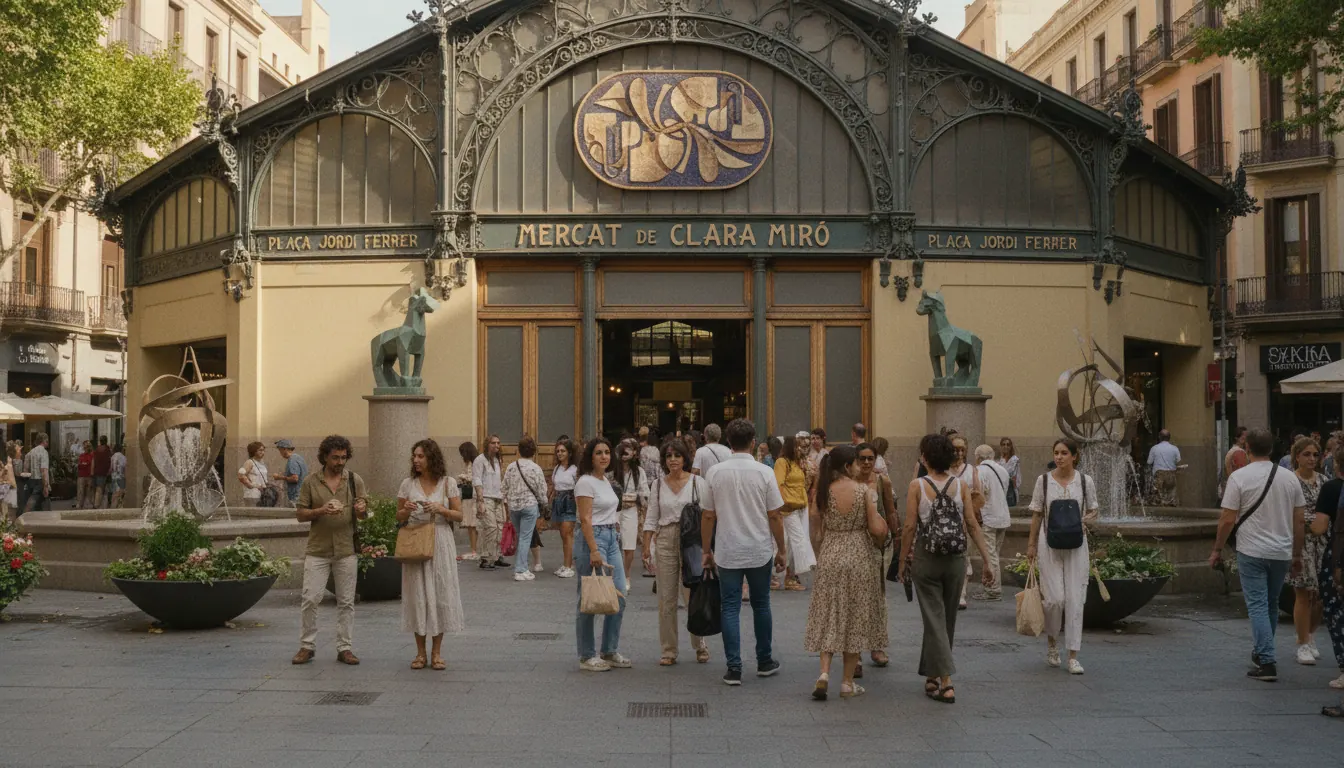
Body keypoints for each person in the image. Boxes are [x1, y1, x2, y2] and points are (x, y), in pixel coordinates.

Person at [898, 433, 994, 704]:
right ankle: (931, 675)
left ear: (925, 457)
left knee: (933, 617)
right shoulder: (959, 484)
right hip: (956, 558)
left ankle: (946, 681)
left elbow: (909, 527)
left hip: (926, 557)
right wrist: (986, 560)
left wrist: (904, 560)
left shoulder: (917, 485)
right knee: (945, 619)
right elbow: (973, 524)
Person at [1211, 427, 1306, 682]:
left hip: (1251, 550)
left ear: (1247, 449)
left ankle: (1266, 660)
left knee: (1257, 605)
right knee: (1271, 603)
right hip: (1281, 551)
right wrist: (1297, 554)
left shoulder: (1239, 478)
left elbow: (1227, 519)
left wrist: (1217, 549)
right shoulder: (1289, 478)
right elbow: (1300, 521)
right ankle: (1263, 650)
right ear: (1272, 449)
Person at [701, 418, 787, 686]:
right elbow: (774, 515)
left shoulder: (715, 473)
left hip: (727, 548)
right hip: (759, 548)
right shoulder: (765, 472)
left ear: (729, 442)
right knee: (761, 604)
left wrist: (706, 550)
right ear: (753, 442)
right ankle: (764, 660)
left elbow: (707, 516)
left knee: (730, 607)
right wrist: (782, 548)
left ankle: (734, 667)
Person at [805, 445, 888, 700]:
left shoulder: (823, 491)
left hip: (831, 552)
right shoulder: (864, 491)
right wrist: (883, 528)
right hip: (858, 555)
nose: (858, 466)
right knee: (854, 616)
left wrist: (820, 553)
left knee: (830, 613)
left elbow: (815, 527)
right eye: (854, 462)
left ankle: (824, 673)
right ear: (846, 466)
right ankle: (847, 683)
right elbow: (876, 529)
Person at [292, 435, 368, 666]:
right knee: (310, 598)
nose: (340, 462)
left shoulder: (355, 481)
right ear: (325, 457)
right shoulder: (311, 482)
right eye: (335, 457)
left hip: (346, 548)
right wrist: (321, 510)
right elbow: (300, 515)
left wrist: (362, 509)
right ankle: (307, 646)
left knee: (346, 601)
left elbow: (364, 515)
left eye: (343, 457)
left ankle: (345, 648)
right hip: (318, 549)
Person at [1027, 438, 1099, 675]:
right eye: (1056, 453)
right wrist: (1031, 546)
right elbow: (1037, 514)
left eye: (1064, 453)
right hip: (1049, 545)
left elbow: (1093, 510)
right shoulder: (1044, 481)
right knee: (1054, 599)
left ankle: (1073, 655)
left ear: (1074, 456)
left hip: (1077, 545)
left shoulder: (1085, 481)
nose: (1059, 457)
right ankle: (1051, 643)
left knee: (1076, 599)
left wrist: (1088, 519)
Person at [396, 439, 464, 670]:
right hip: (416, 539)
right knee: (417, 594)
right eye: (414, 456)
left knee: (440, 592)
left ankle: (436, 653)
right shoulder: (408, 484)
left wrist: (441, 509)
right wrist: (406, 510)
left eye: (421, 456)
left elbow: (459, 515)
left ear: (431, 458)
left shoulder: (448, 483)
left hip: (440, 540)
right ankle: (419, 653)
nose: (416, 460)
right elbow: (399, 516)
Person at [642, 438, 711, 666]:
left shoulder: (697, 482)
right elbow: (651, 517)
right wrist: (646, 546)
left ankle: (700, 644)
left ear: (685, 458)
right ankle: (669, 649)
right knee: (666, 597)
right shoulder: (658, 484)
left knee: (693, 594)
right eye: (669, 456)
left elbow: (708, 514)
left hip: (691, 540)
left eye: (677, 456)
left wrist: (708, 547)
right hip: (666, 538)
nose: (673, 460)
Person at [573, 437, 629, 672]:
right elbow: (585, 518)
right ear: (590, 457)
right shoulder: (585, 482)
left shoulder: (605, 480)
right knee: (589, 597)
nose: (604, 456)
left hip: (611, 537)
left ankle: (609, 649)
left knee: (620, 595)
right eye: (599, 453)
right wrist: (594, 549)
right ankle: (587, 655)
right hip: (592, 539)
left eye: (607, 452)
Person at [854, 442, 898, 670]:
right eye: (862, 458)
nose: (867, 463)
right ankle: (855, 651)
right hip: (855, 543)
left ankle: (877, 644)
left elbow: (890, 510)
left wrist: (898, 539)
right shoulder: (848, 482)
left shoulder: (882, 481)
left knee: (878, 594)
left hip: (880, 544)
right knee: (856, 595)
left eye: (870, 458)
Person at [1286, 437, 1327, 665]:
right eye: (1307, 454)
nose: (1311, 459)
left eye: (1315, 454)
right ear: (1297, 456)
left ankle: (1310, 635)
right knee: (1303, 592)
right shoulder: (1291, 481)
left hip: (1323, 541)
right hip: (1300, 541)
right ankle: (1302, 643)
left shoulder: (1324, 480)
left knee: (1321, 594)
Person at [502, 436, 548, 582]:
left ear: (518, 451)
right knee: (525, 537)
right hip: (529, 505)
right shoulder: (536, 468)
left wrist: (506, 502)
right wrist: (544, 503)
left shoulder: (511, 466)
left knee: (520, 536)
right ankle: (521, 569)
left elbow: (503, 488)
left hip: (514, 507)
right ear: (534, 452)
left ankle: (523, 566)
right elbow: (542, 490)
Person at [774, 432, 816, 592]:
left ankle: (789, 576)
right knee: (797, 538)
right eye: (797, 446)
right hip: (788, 507)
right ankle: (794, 571)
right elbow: (779, 484)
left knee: (790, 541)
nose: (800, 449)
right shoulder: (781, 462)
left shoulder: (797, 464)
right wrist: (783, 503)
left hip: (800, 506)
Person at [973, 445, 1012, 601]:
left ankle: (993, 590)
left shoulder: (980, 471)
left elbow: (980, 495)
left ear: (978, 457)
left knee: (990, 556)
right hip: (1003, 516)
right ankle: (990, 584)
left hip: (989, 517)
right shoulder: (1002, 469)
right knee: (994, 553)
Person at [948, 435, 982, 610]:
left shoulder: (971, 470)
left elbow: (979, 494)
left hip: (964, 518)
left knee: (964, 555)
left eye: (962, 449)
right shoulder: (944, 469)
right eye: (956, 449)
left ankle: (961, 593)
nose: (959, 453)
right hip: (946, 518)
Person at [1320, 481, 1344, 711]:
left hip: (1339, 559)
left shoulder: (1333, 488)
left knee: (1337, 613)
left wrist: (1337, 565)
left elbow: (1338, 529)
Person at [611, 438, 648, 578]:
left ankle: (625, 575)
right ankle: (614, 574)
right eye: (623, 447)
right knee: (612, 543)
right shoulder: (612, 471)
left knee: (629, 545)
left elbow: (645, 494)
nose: (625, 450)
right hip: (614, 510)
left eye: (629, 448)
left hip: (631, 510)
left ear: (635, 452)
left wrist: (636, 498)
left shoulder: (639, 472)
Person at [472, 435, 507, 570]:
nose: (496, 445)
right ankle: (485, 558)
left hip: (498, 497)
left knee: (499, 527)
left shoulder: (498, 460)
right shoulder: (480, 460)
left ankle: (496, 556)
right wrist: (480, 501)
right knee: (490, 527)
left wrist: (504, 498)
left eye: (498, 443)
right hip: (486, 497)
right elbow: (477, 480)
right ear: (487, 444)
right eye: (493, 443)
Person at [551, 438, 579, 578]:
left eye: (563, 451)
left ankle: (569, 566)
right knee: (563, 534)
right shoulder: (556, 469)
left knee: (567, 533)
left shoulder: (575, 469)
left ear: (569, 453)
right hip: (558, 500)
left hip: (570, 499)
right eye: (558, 451)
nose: (560, 453)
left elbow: (579, 487)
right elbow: (554, 486)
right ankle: (566, 563)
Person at [457, 442, 481, 561]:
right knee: (471, 525)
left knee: (472, 525)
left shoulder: (473, 463)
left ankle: (474, 550)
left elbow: (473, 478)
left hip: (472, 497)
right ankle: (474, 549)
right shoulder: (473, 462)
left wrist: (463, 476)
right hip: (470, 496)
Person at [17, 433, 49, 516]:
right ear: (44, 441)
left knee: (43, 501)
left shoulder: (30, 452)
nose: (47, 443)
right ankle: (23, 516)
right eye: (47, 441)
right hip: (40, 480)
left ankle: (45, 518)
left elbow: (25, 469)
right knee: (34, 500)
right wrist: (46, 485)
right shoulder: (44, 452)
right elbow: (44, 470)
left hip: (31, 480)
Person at [1147, 429, 1182, 507]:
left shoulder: (1154, 448)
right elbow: (1178, 461)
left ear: (1160, 437)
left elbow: (1149, 462)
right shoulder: (1174, 448)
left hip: (1159, 476)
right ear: (1169, 438)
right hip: (1171, 475)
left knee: (1157, 500)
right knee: (1171, 500)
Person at [272, 439, 309, 507]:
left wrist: (279, 477)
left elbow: (295, 478)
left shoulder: (292, 460)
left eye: (280, 450)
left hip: (296, 495)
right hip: (302, 493)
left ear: (284, 449)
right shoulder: (298, 457)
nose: (280, 453)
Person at [1223, 427, 1250, 495]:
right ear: (1236, 437)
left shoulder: (1233, 450)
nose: (1245, 437)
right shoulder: (1239, 452)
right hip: (1238, 489)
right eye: (1243, 435)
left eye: (1246, 435)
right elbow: (1242, 474)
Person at [999, 437, 1021, 507]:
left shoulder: (1014, 460)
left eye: (1008, 445)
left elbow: (1015, 477)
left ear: (1011, 446)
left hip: (1010, 489)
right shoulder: (1000, 460)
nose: (1006, 446)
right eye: (1004, 444)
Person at [91, 436, 112, 508]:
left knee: (97, 488)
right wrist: (109, 470)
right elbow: (110, 460)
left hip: (96, 471)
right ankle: (97, 504)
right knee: (100, 488)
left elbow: (93, 461)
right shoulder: (107, 449)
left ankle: (96, 503)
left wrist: (92, 471)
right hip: (103, 472)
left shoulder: (96, 449)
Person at [75, 441, 94, 509]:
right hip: (81, 475)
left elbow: (90, 464)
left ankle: (87, 504)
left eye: (87, 447)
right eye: (85, 447)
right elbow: (79, 465)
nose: (85, 448)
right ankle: (79, 504)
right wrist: (84, 464)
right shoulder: (81, 455)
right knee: (80, 491)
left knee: (89, 491)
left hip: (89, 475)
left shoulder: (92, 455)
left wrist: (84, 464)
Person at [0, 443, 16, 522]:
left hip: (5, 486)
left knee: (6, 511)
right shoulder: (8, 462)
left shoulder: (7, 460)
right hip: (6, 487)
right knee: (7, 511)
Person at [109, 443, 127, 509]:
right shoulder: (123, 457)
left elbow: (111, 468)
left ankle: (113, 506)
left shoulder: (113, 456)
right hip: (120, 476)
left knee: (114, 492)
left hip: (114, 476)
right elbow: (125, 468)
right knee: (121, 492)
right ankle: (118, 507)